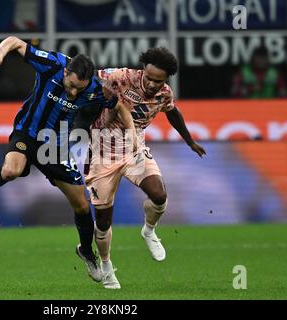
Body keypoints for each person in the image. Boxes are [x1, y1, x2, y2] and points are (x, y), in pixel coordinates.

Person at [0, 36, 135, 283]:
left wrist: (131, 134)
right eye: (72, 84)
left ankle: (86, 252)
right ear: (66, 71)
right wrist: (2, 53)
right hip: (28, 132)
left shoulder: (95, 89)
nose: (74, 91)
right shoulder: (53, 63)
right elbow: (15, 41)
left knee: (81, 205)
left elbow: (118, 105)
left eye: (80, 87)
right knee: (12, 170)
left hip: (56, 147)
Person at [84, 48, 207, 289]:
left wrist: (190, 141)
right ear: (143, 70)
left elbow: (173, 113)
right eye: (149, 77)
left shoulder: (164, 94)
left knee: (159, 195)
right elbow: (89, 75)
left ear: (166, 79)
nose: (152, 83)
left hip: (133, 149)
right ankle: (107, 267)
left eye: (158, 80)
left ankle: (149, 230)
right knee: (103, 221)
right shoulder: (121, 76)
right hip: (102, 152)